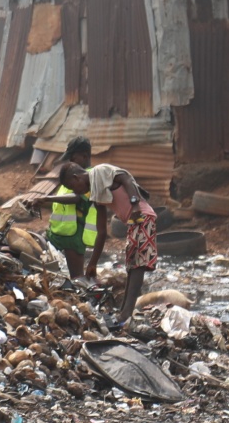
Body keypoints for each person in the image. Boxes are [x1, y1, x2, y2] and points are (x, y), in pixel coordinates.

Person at [89, 161, 158, 328]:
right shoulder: (95, 192)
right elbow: (102, 232)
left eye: (71, 184)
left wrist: (134, 205)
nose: (74, 189)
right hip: (132, 222)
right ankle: (124, 312)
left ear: (76, 178)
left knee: (138, 264)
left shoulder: (99, 172)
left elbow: (126, 179)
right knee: (131, 266)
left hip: (141, 216)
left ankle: (126, 314)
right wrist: (92, 262)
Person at [41, 137, 102, 280]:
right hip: (58, 232)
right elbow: (61, 203)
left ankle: (86, 300)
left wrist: (47, 198)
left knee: (77, 277)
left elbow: (78, 198)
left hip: (74, 234)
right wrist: (40, 202)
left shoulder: (90, 178)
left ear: (85, 156)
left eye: (73, 158)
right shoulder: (72, 176)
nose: (70, 162)